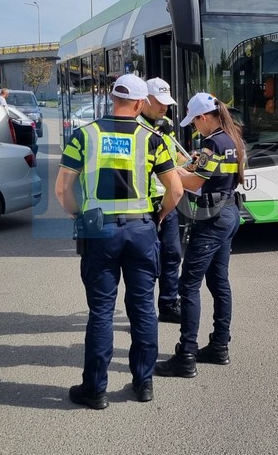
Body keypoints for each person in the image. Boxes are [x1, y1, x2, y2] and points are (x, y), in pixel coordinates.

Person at [54, 74, 184, 409]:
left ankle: (95, 390)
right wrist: (158, 217)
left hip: (99, 231)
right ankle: (143, 384)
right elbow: (177, 189)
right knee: (142, 310)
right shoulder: (152, 138)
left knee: (100, 312)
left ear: (112, 98)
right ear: (141, 104)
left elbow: (61, 189)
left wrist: (78, 214)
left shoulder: (84, 135)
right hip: (141, 231)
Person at [155, 93, 244, 377]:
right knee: (219, 282)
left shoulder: (212, 142)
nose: (195, 127)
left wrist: (168, 171)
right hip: (229, 212)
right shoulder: (232, 138)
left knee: (188, 285)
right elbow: (209, 172)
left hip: (212, 218)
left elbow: (194, 181)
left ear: (204, 117)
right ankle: (219, 345)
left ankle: (187, 355)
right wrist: (189, 166)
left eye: (195, 122)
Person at [139, 78, 189, 323]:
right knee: (145, 261)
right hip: (145, 202)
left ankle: (169, 304)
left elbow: (172, 156)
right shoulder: (133, 126)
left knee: (172, 253)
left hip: (168, 198)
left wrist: (192, 162)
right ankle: (144, 312)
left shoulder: (166, 123)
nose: (164, 108)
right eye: (159, 102)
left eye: (167, 103)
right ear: (144, 99)